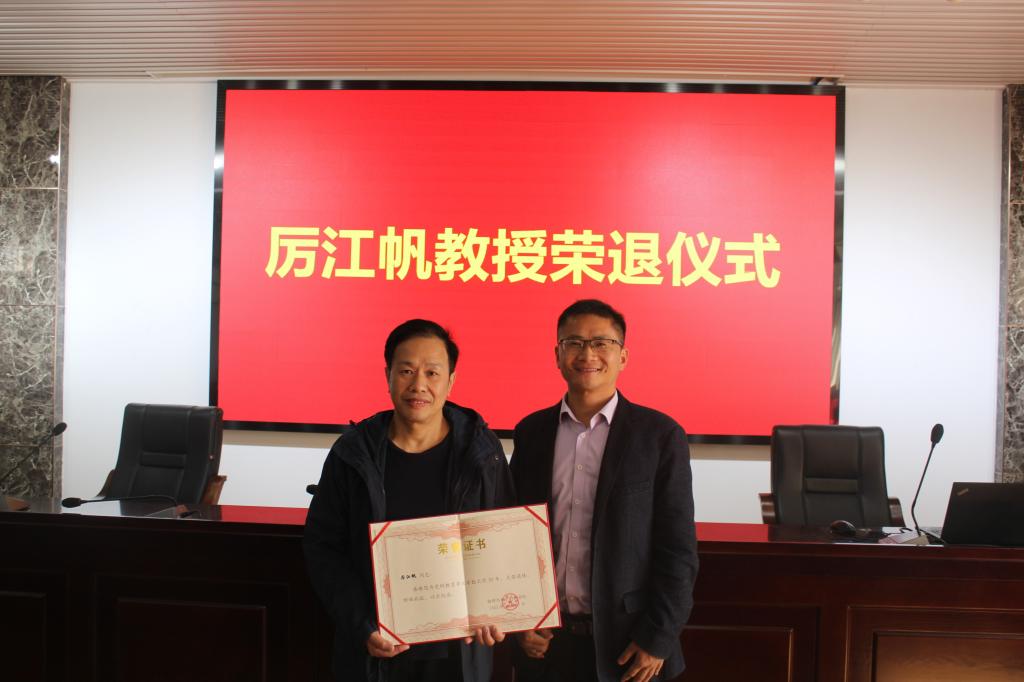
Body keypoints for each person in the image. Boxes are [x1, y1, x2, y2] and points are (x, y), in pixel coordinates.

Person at [304, 319, 516, 682]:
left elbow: (505, 540)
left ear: (451, 381)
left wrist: (497, 608)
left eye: (432, 373)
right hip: (377, 651)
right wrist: (362, 626)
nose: (419, 385)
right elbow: (324, 548)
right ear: (387, 375)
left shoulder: (481, 452)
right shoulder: (353, 453)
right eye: (406, 371)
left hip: (458, 655)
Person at [510, 299, 698, 682]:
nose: (587, 354)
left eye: (601, 343)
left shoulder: (659, 436)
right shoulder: (531, 433)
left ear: (623, 356)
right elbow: (514, 536)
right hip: (548, 645)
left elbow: (678, 551)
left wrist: (658, 637)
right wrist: (519, 620)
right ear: (557, 355)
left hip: (629, 646)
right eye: (574, 343)